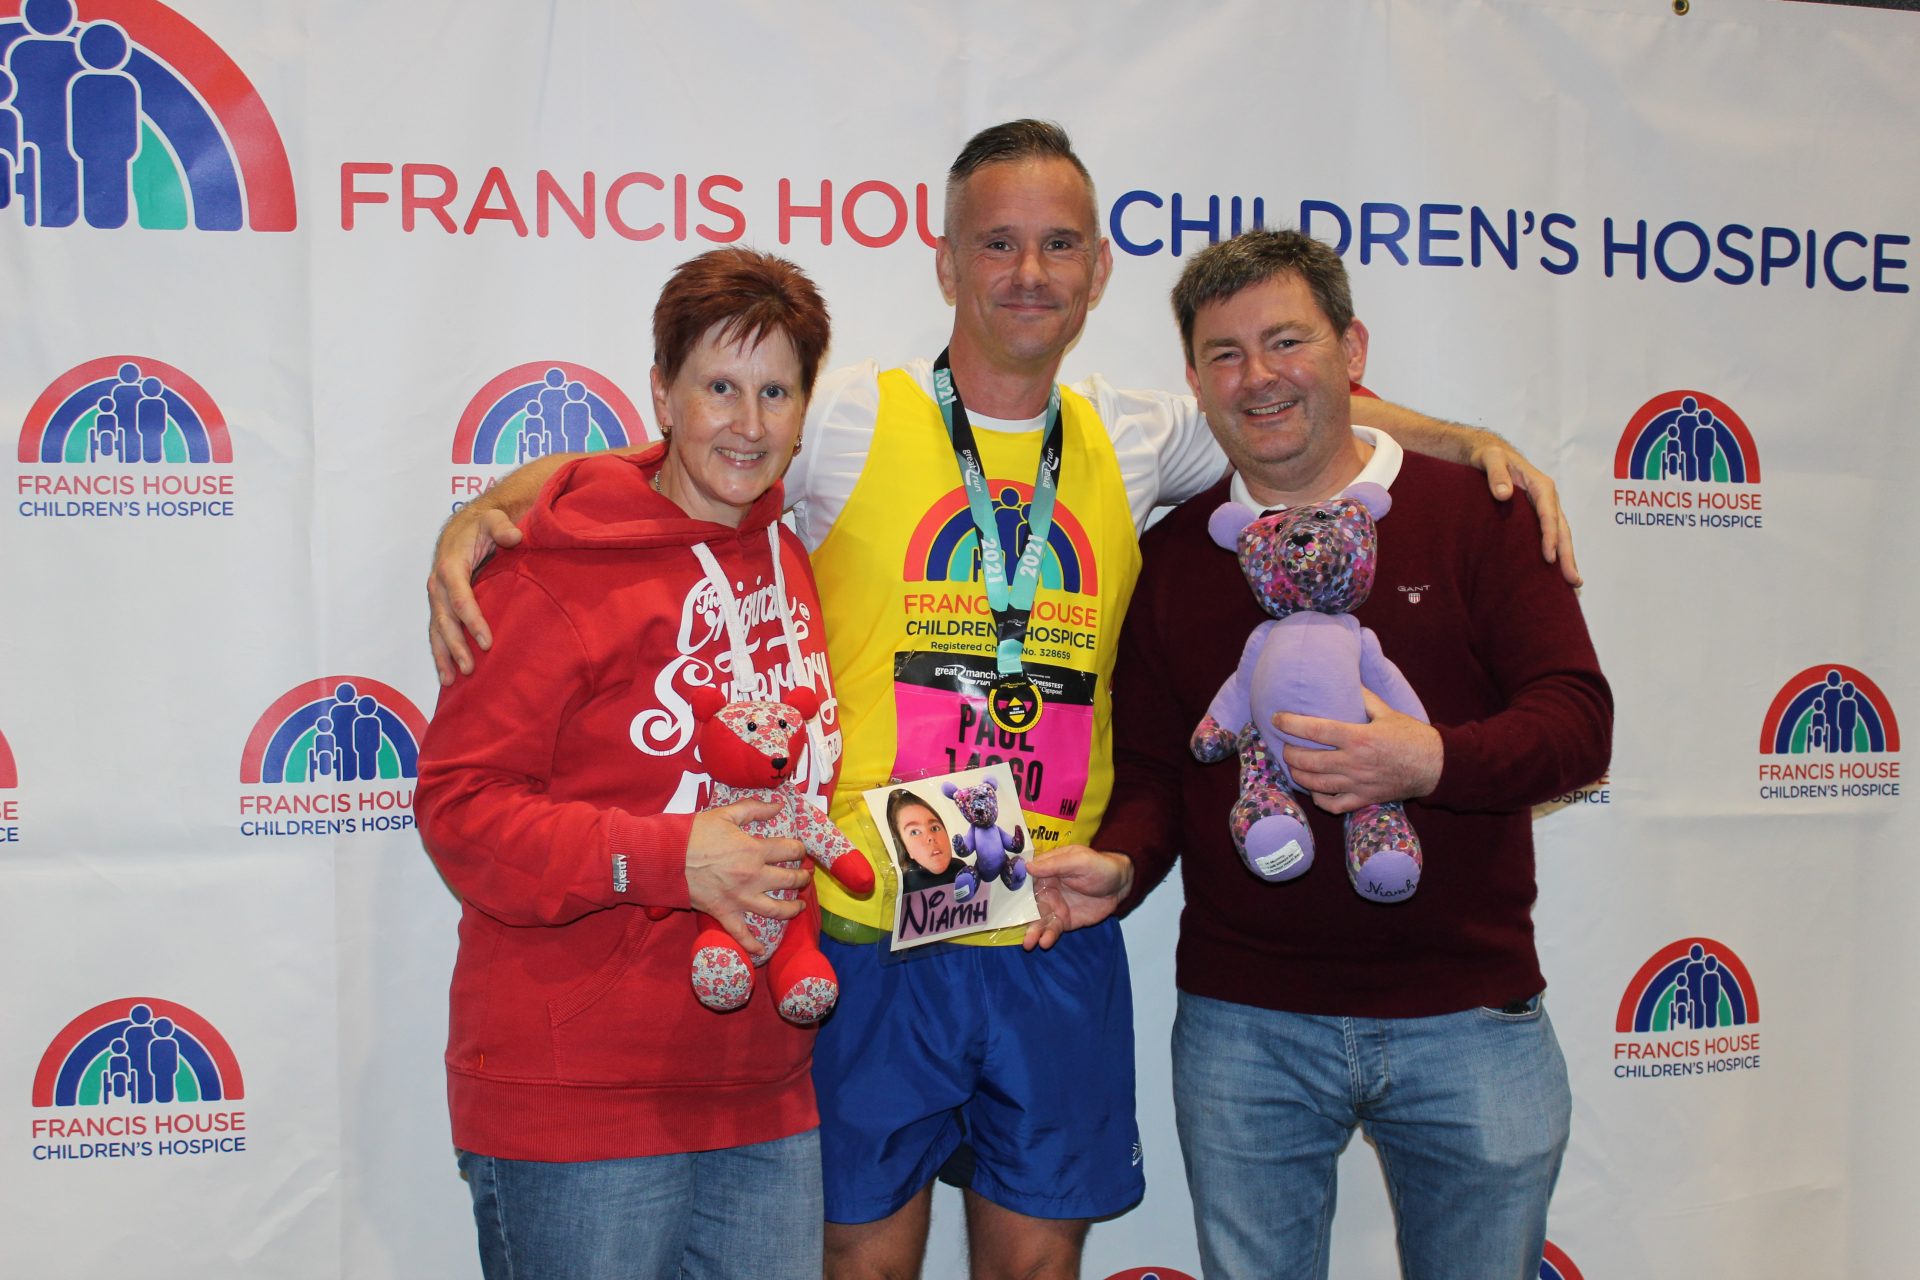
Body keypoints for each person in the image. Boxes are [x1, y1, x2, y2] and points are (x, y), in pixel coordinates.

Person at [426, 122, 1579, 1280]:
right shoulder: (841, 419)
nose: (1029, 272)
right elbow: (690, 452)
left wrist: (1465, 439)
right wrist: (502, 504)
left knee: (1036, 1266)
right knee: (862, 1262)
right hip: (872, 920)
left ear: (1096, 273)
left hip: (1043, 914)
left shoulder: (1142, 433)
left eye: (1059, 244)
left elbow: (1293, 404)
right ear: (945, 263)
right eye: (998, 242)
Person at [1039, 229, 1613, 1279]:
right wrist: (1118, 867)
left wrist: (1428, 760)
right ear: (1195, 380)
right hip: (1246, 1024)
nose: (1257, 377)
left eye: (1285, 340)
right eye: (1223, 354)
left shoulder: (1473, 517)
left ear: (1351, 350)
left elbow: (1577, 723)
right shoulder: (1175, 556)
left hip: (1470, 1020)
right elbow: (1163, 777)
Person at [414, 247, 845, 1280]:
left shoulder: (792, 548)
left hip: (765, 1087)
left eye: (775, 389)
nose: (747, 422)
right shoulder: (549, 566)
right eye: (718, 387)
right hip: (579, 1101)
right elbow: (460, 810)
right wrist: (669, 857)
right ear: (661, 391)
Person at [887, 789, 970, 896]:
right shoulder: (903, 885)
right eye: (915, 832)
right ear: (903, 846)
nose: (930, 837)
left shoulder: (960, 870)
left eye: (935, 828)